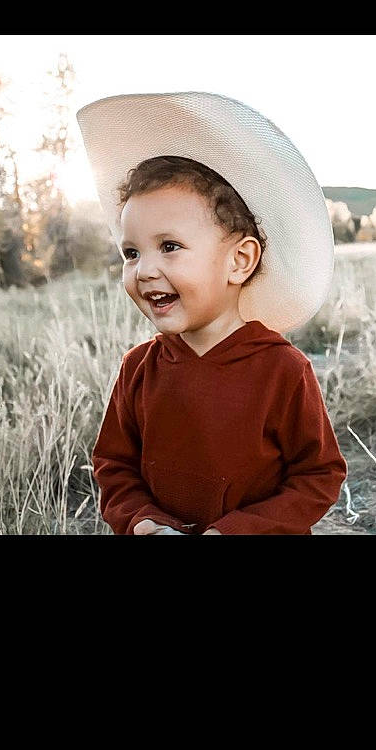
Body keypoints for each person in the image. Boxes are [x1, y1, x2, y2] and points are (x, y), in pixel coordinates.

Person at [77, 90, 348, 536]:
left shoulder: (282, 370)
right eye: (130, 252)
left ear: (239, 261)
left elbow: (318, 477)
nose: (144, 270)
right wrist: (145, 523)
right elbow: (114, 465)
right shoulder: (138, 370)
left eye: (169, 247)